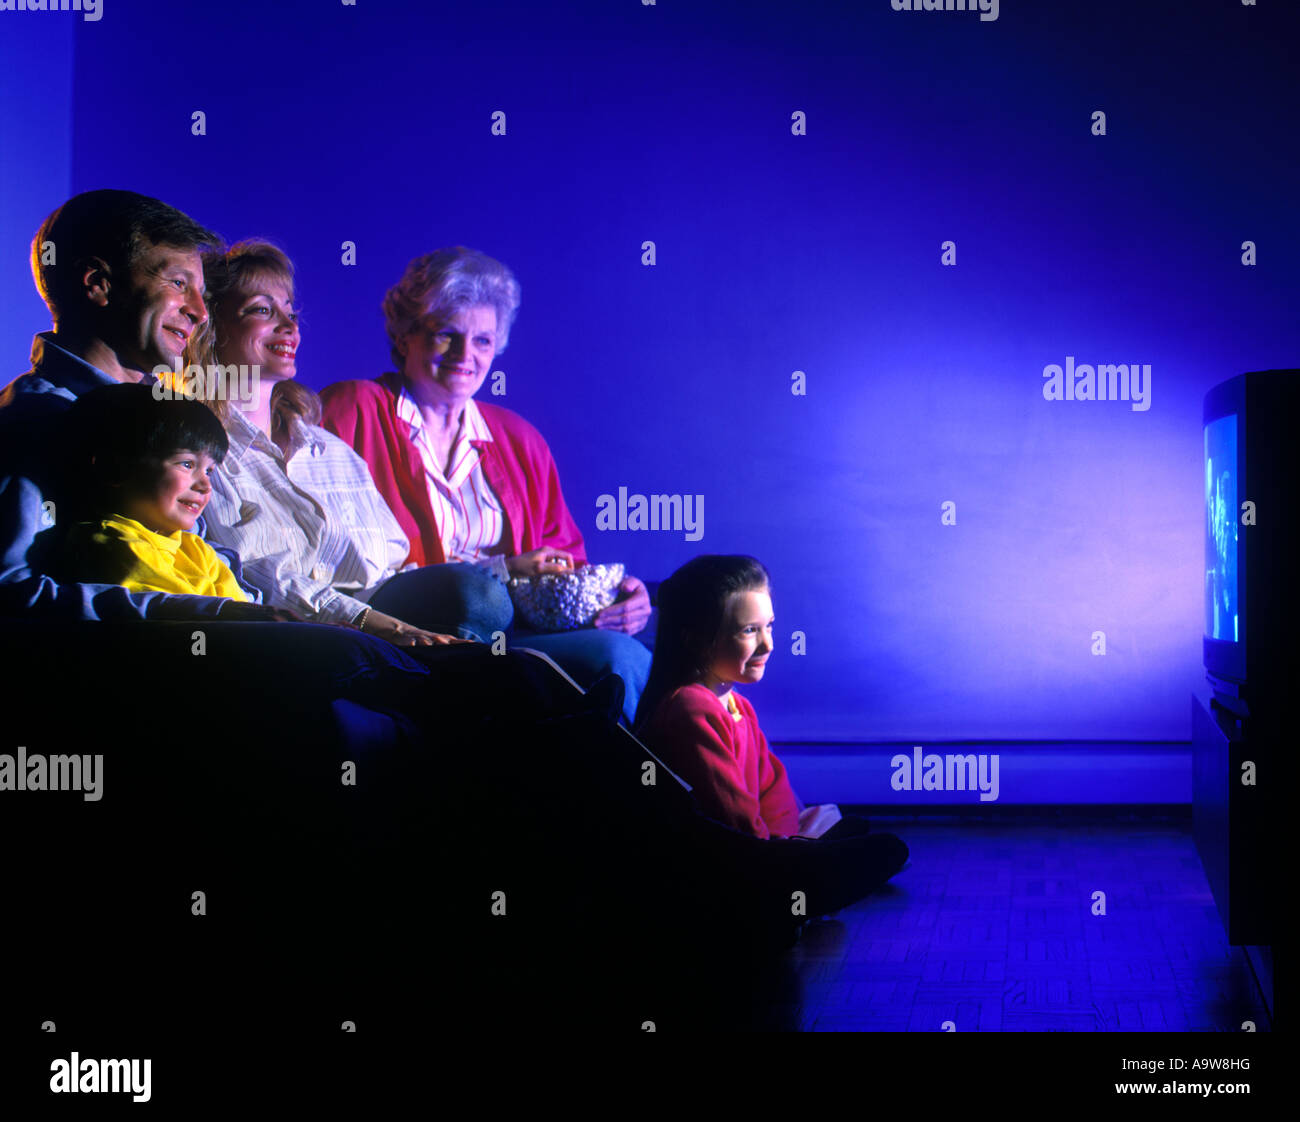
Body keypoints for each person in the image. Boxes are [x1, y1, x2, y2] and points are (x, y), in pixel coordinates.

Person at [319, 247, 652, 722]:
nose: (465, 355)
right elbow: (321, 545)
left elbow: (563, 560)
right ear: (405, 333)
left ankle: (618, 794)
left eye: (482, 341)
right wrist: (505, 567)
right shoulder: (351, 409)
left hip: (512, 635)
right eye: (446, 335)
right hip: (401, 625)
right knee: (476, 597)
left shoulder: (520, 439)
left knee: (622, 656)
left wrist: (618, 596)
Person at [184, 240, 502, 649]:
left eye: (291, 312)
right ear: (213, 326)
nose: (290, 325)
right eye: (263, 309)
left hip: (391, 621)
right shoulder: (199, 451)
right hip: (294, 635)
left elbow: (396, 563)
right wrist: (380, 626)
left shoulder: (329, 450)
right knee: (477, 601)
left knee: (480, 603)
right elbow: (246, 575)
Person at [0, 189, 280, 622]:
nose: (201, 312)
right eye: (178, 284)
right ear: (98, 284)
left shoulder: (170, 411)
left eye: (202, 293)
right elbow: (12, 593)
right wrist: (209, 617)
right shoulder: (32, 424)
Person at [636, 555, 907, 873]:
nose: (768, 645)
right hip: (722, 860)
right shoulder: (691, 709)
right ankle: (804, 868)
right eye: (749, 631)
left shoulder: (739, 707)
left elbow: (772, 786)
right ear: (696, 641)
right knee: (851, 855)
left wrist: (786, 837)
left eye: (769, 627)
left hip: (764, 844)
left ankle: (808, 857)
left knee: (825, 820)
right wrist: (774, 854)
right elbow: (731, 813)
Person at [48, 384, 249, 600]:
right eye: (187, 464)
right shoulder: (111, 544)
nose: (205, 486)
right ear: (114, 468)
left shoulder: (196, 549)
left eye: (209, 471)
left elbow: (249, 615)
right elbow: (196, 615)